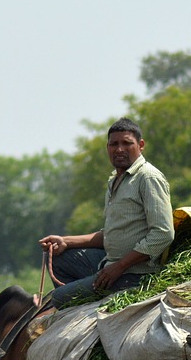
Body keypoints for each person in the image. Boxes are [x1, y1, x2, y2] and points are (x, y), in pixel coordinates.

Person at [39, 118, 175, 307]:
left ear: (140, 145)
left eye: (127, 143)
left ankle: (96, 302)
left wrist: (118, 268)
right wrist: (66, 241)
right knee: (59, 259)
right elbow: (112, 234)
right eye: (114, 144)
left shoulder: (148, 178)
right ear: (108, 148)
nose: (119, 149)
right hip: (109, 263)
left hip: (133, 274)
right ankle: (93, 298)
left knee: (59, 298)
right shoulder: (115, 180)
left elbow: (163, 233)